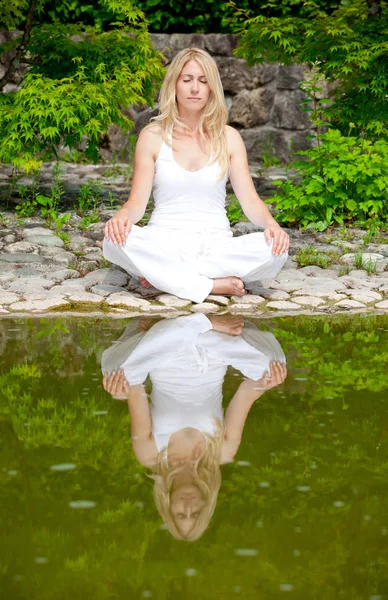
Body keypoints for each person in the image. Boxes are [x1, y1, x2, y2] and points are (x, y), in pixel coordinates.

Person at [103, 47, 289, 303]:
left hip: (214, 245)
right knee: (113, 241)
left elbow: (250, 201)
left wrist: (271, 225)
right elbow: (136, 203)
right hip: (164, 242)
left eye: (203, 81)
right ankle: (210, 285)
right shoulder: (153, 137)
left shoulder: (229, 138)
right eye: (187, 79)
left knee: (276, 250)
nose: (195, 88)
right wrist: (122, 217)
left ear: (212, 88)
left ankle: (164, 278)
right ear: (174, 85)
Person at [102, 313, 287, 541]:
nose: (188, 507)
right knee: (272, 366)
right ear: (205, 505)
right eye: (195, 513)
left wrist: (122, 391)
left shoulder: (150, 455)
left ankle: (185, 327)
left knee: (118, 372)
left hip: (164, 356)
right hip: (213, 353)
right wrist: (268, 382)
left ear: (168, 506)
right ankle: (194, 326)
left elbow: (136, 389)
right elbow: (247, 394)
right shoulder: (223, 452)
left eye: (181, 513)